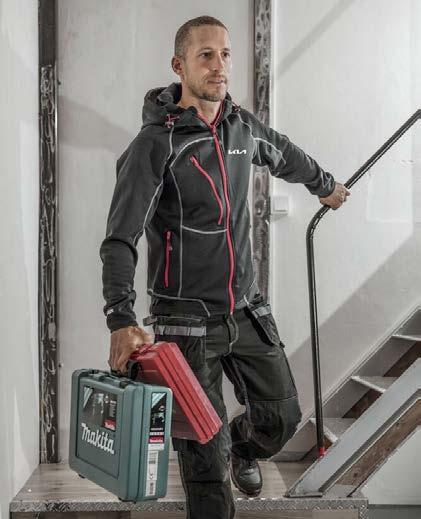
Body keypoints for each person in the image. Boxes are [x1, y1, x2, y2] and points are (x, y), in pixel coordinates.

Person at [100, 15, 350, 519]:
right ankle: (219, 461)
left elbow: (284, 153)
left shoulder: (241, 126)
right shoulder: (155, 145)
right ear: (179, 65)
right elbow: (120, 239)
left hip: (245, 309)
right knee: (205, 468)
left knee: (282, 420)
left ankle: (243, 447)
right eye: (206, 55)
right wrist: (121, 318)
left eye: (225, 54)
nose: (219, 66)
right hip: (185, 325)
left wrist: (324, 184)